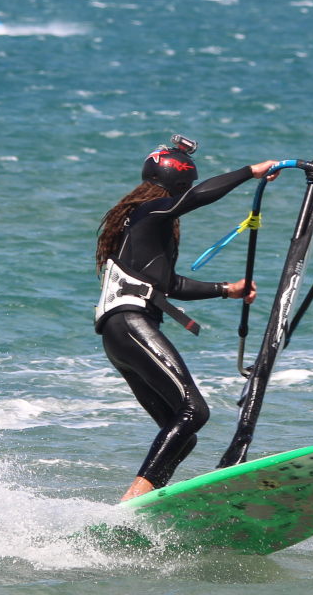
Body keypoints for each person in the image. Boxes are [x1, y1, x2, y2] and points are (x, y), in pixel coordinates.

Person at [94, 136, 278, 501]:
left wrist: (227, 289)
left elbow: (167, 284)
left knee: (182, 430)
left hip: (118, 334)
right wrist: (250, 172)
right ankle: (134, 497)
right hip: (130, 323)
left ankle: (146, 505)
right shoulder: (152, 210)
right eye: (185, 187)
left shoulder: (141, 220)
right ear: (179, 184)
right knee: (194, 411)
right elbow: (198, 197)